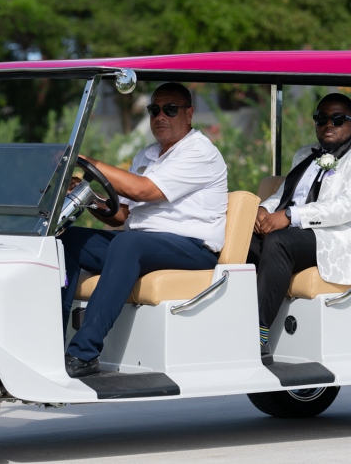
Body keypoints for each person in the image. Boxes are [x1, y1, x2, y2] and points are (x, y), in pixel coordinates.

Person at [59, 82, 228, 378]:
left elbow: (143, 191)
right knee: (67, 239)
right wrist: (89, 197)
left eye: (170, 109)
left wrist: (84, 159)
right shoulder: (148, 155)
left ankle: (83, 354)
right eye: (154, 110)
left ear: (189, 114)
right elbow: (120, 216)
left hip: (193, 248)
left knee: (129, 244)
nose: (160, 116)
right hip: (143, 244)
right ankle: (50, 338)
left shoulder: (199, 151)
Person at [248, 93, 351, 364]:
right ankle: (229, 320)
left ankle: (259, 333)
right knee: (241, 239)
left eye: (338, 119)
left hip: (340, 235)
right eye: (321, 118)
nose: (328, 124)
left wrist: (290, 216)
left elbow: (349, 206)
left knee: (280, 242)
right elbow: (285, 193)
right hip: (299, 230)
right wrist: (264, 209)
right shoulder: (305, 153)